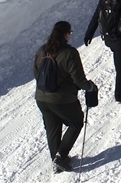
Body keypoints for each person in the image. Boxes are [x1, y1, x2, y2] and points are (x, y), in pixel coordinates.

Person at [34, 20, 96, 173]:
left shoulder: (42, 50)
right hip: (62, 100)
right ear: (66, 34)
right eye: (70, 33)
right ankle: (61, 157)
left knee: (52, 128)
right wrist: (90, 87)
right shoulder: (70, 53)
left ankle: (57, 161)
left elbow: (36, 73)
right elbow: (79, 79)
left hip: (41, 98)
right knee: (76, 122)